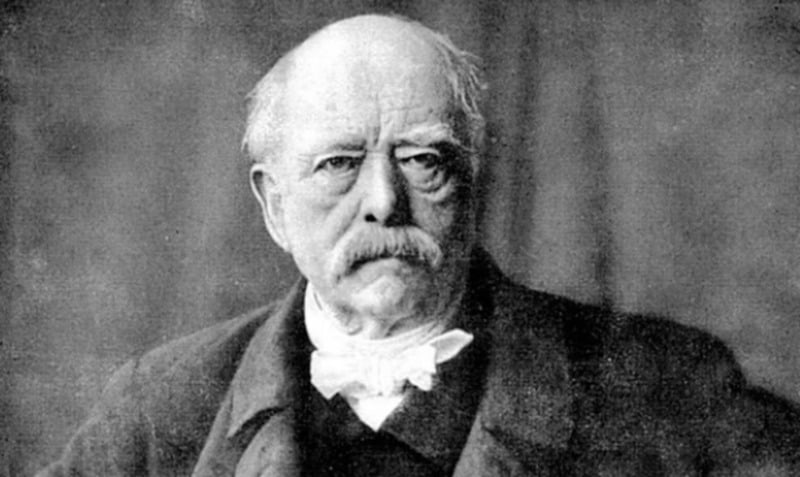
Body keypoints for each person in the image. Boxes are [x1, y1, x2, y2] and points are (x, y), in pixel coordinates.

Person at [39, 14, 800, 477]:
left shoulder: (672, 392)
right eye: (338, 164)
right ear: (274, 206)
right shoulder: (155, 411)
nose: (382, 202)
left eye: (423, 160)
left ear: (472, 185)